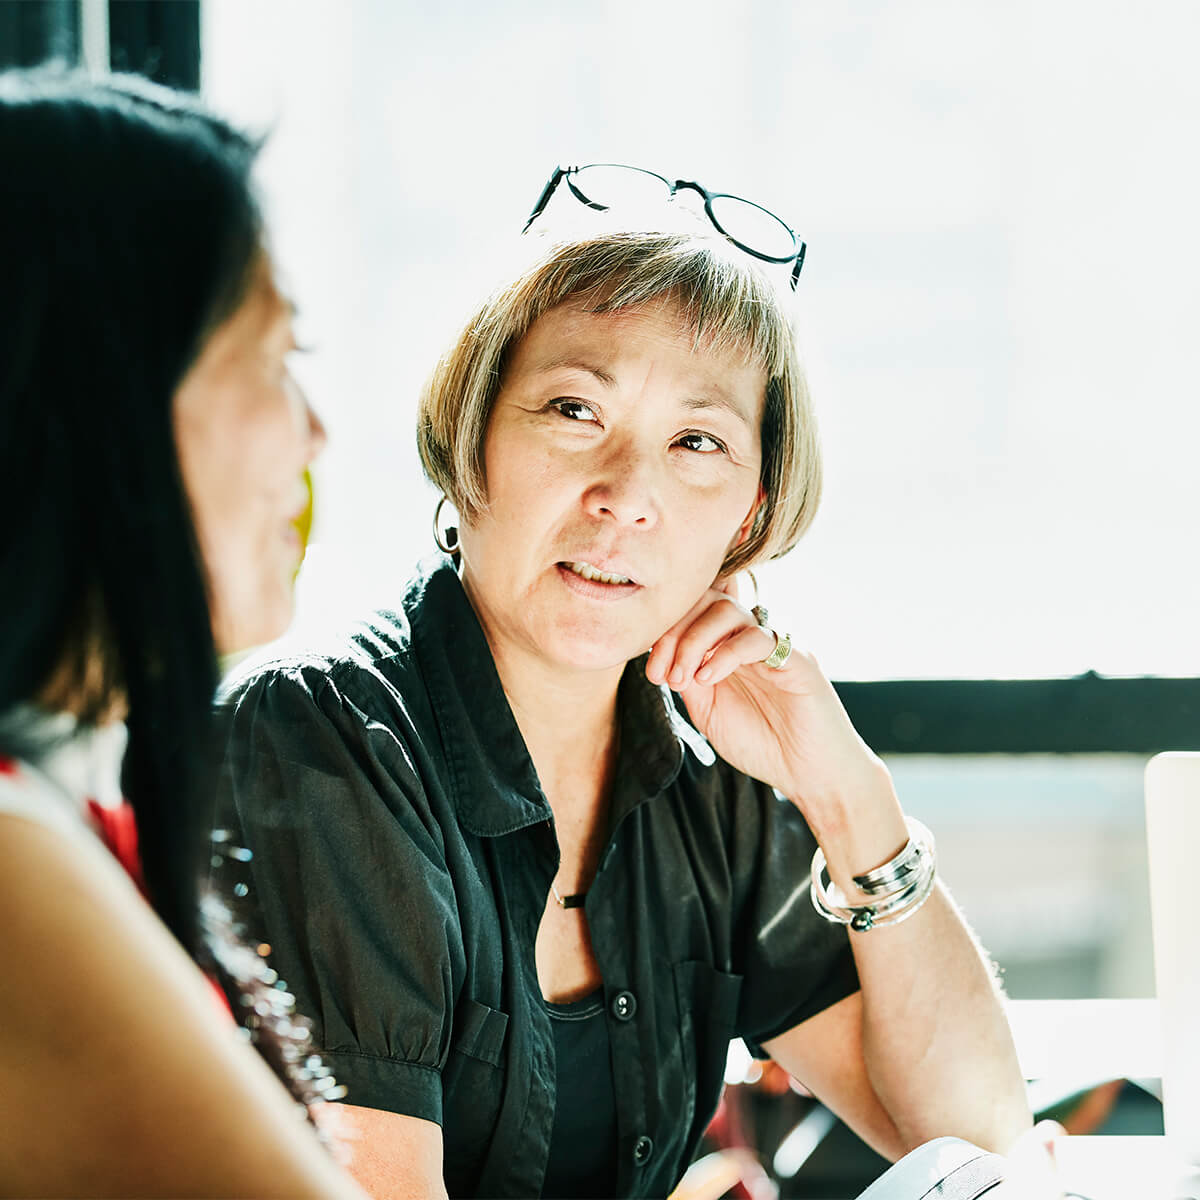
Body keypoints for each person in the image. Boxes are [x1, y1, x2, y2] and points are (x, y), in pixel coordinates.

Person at [214, 166, 1033, 1198]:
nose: (625, 498)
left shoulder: (705, 766)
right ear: (473, 439)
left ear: (747, 516)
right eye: (572, 410)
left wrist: (847, 792)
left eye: (697, 441)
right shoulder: (322, 734)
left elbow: (974, 1141)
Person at [0, 70, 362, 1197]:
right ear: (105, 396)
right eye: (274, 354)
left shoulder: (65, 805)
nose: (317, 432)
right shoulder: (14, 861)